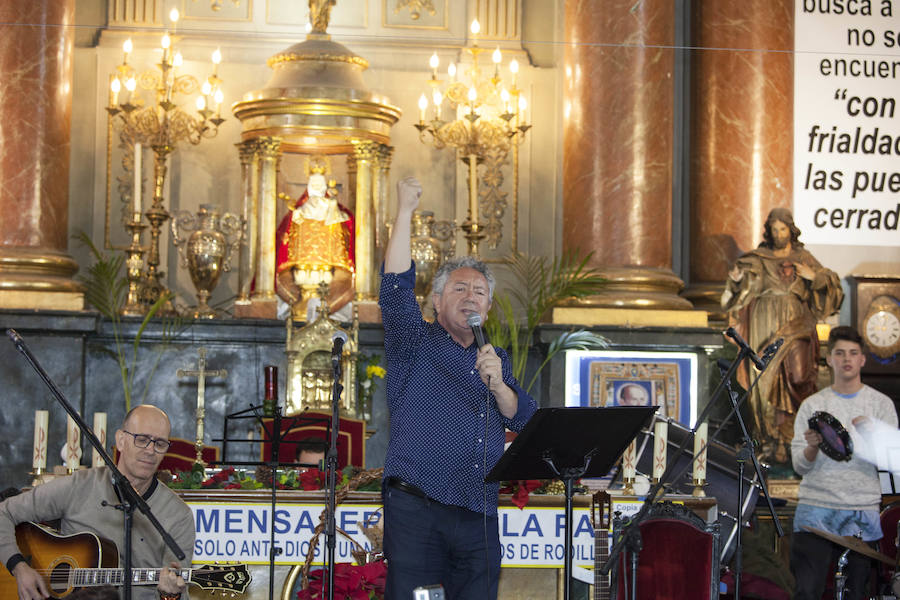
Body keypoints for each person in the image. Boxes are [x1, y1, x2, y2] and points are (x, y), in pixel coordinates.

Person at [379, 176, 537, 600]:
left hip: (478, 513)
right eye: (460, 288)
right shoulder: (414, 340)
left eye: (480, 292)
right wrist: (405, 211)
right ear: (436, 300)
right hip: (418, 508)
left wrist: (500, 387)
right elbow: (394, 291)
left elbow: (526, 419)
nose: (471, 296)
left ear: (487, 307)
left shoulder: (495, 359)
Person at [0, 405, 195, 600]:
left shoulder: (178, 515)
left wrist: (169, 594)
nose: (151, 450)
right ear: (121, 440)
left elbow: (178, 591)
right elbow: (4, 512)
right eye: (142, 440)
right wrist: (18, 567)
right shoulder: (80, 485)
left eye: (160, 443)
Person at [722, 207, 843, 468]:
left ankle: (791, 438)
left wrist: (815, 276)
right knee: (762, 379)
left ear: (791, 230)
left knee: (799, 376)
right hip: (762, 322)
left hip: (795, 324)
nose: (778, 234)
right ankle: (768, 440)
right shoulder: (756, 258)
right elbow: (737, 289)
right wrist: (737, 281)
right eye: (774, 229)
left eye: (783, 229)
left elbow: (831, 285)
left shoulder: (804, 257)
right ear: (769, 231)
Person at [789, 326, 897, 600]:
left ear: (862, 359)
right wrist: (812, 448)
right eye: (839, 353)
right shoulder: (812, 405)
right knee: (807, 592)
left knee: (856, 593)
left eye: (853, 353)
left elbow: (892, 462)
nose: (846, 359)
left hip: (861, 512)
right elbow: (800, 466)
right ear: (829, 359)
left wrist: (874, 436)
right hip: (816, 511)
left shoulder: (880, 405)